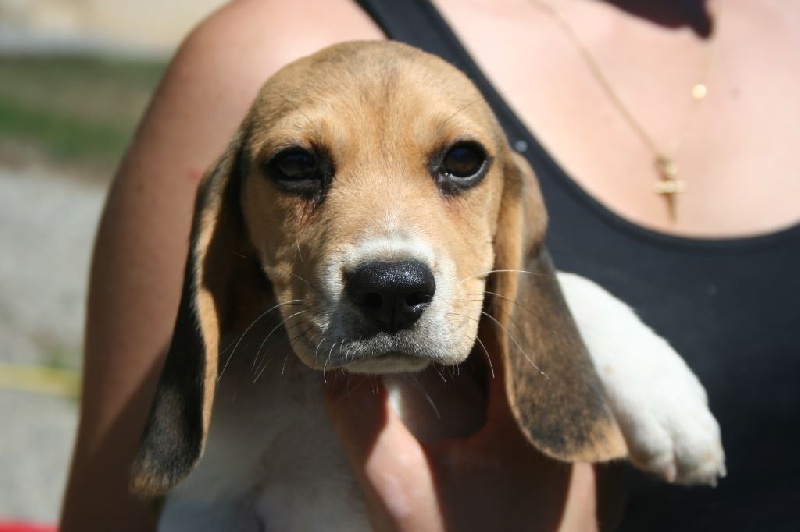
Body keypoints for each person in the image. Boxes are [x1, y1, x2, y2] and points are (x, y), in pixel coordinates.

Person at [60, 0, 800, 530]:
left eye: (458, 162)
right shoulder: (259, 39)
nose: (391, 265)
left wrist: (591, 326)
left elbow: (521, 271)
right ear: (231, 226)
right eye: (297, 167)